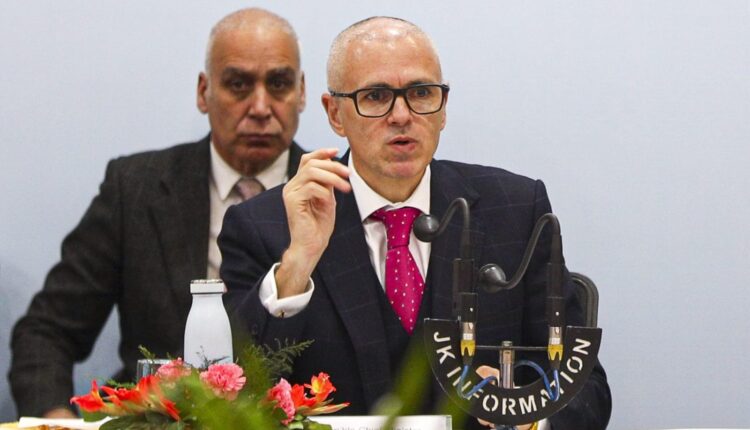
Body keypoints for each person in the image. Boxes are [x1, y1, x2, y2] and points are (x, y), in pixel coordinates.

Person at [219, 17, 611, 429]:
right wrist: (298, 262)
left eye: (421, 93)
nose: (402, 115)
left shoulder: (514, 210)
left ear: (443, 108)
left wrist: (525, 420)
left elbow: (586, 390)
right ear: (335, 113)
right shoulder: (265, 226)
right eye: (375, 96)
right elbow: (236, 396)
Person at [9, 8, 307, 419]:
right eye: (238, 85)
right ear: (203, 92)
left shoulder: (337, 195)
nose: (260, 107)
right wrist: (55, 421)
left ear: (302, 93)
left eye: (278, 84)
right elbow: (46, 332)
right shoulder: (136, 188)